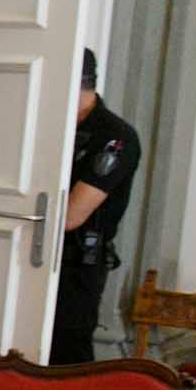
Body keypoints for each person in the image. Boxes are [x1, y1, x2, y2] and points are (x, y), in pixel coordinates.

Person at [50, 48, 141, 364]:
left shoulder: (114, 136)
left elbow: (71, 216)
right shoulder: (52, 125)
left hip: (77, 263)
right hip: (33, 254)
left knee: (65, 352)